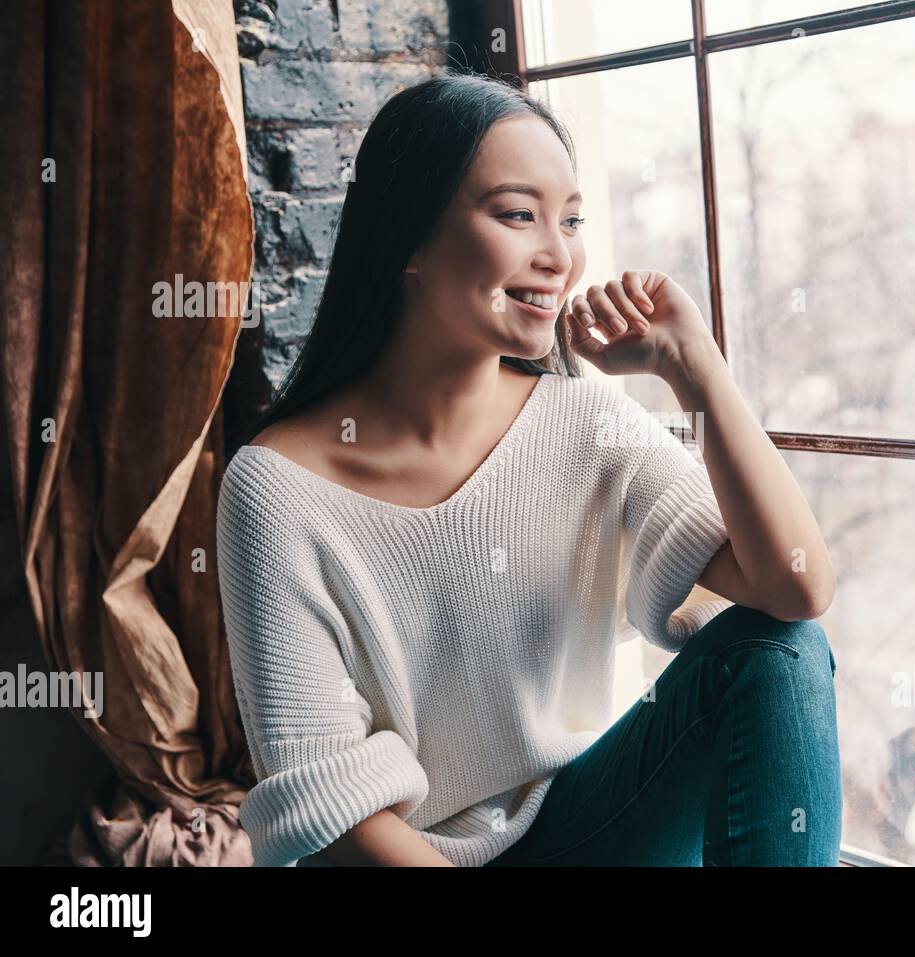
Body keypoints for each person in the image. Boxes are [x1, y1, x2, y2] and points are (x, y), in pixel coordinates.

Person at [216, 71, 842, 867]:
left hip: (585, 829)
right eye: (518, 215)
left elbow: (796, 586)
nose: (560, 256)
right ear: (409, 237)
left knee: (776, 647)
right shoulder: (274, 490)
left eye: (572, 220)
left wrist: (697, 368)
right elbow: (333, 815)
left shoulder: (589, 423)